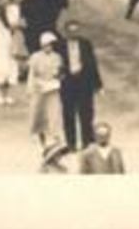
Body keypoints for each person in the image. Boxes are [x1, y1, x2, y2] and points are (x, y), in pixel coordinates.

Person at [56, 19, 103, 150]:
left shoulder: (86, 44)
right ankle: (71, 143)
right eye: (70, 31)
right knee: (68, 113)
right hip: (67, 84)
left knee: (86, 113)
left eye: (76, 31)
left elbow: (93, 64)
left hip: (84, 83)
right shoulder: (59, 46)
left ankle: (87, 142)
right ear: (66, 32)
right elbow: (54, 65)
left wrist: (98, 85)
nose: (73, 34)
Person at [26, 32, 65, 148]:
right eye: (46, 45)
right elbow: (32, 74)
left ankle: (55, 135)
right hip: (39, 88)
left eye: (50, 45)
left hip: (52, 88)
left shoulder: (57, 57)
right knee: (37, 111)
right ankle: (35, 133)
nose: (48, 47)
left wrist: (58, 77)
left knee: (54, 111)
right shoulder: (35, 57)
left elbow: (60, 73)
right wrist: (31, 87)